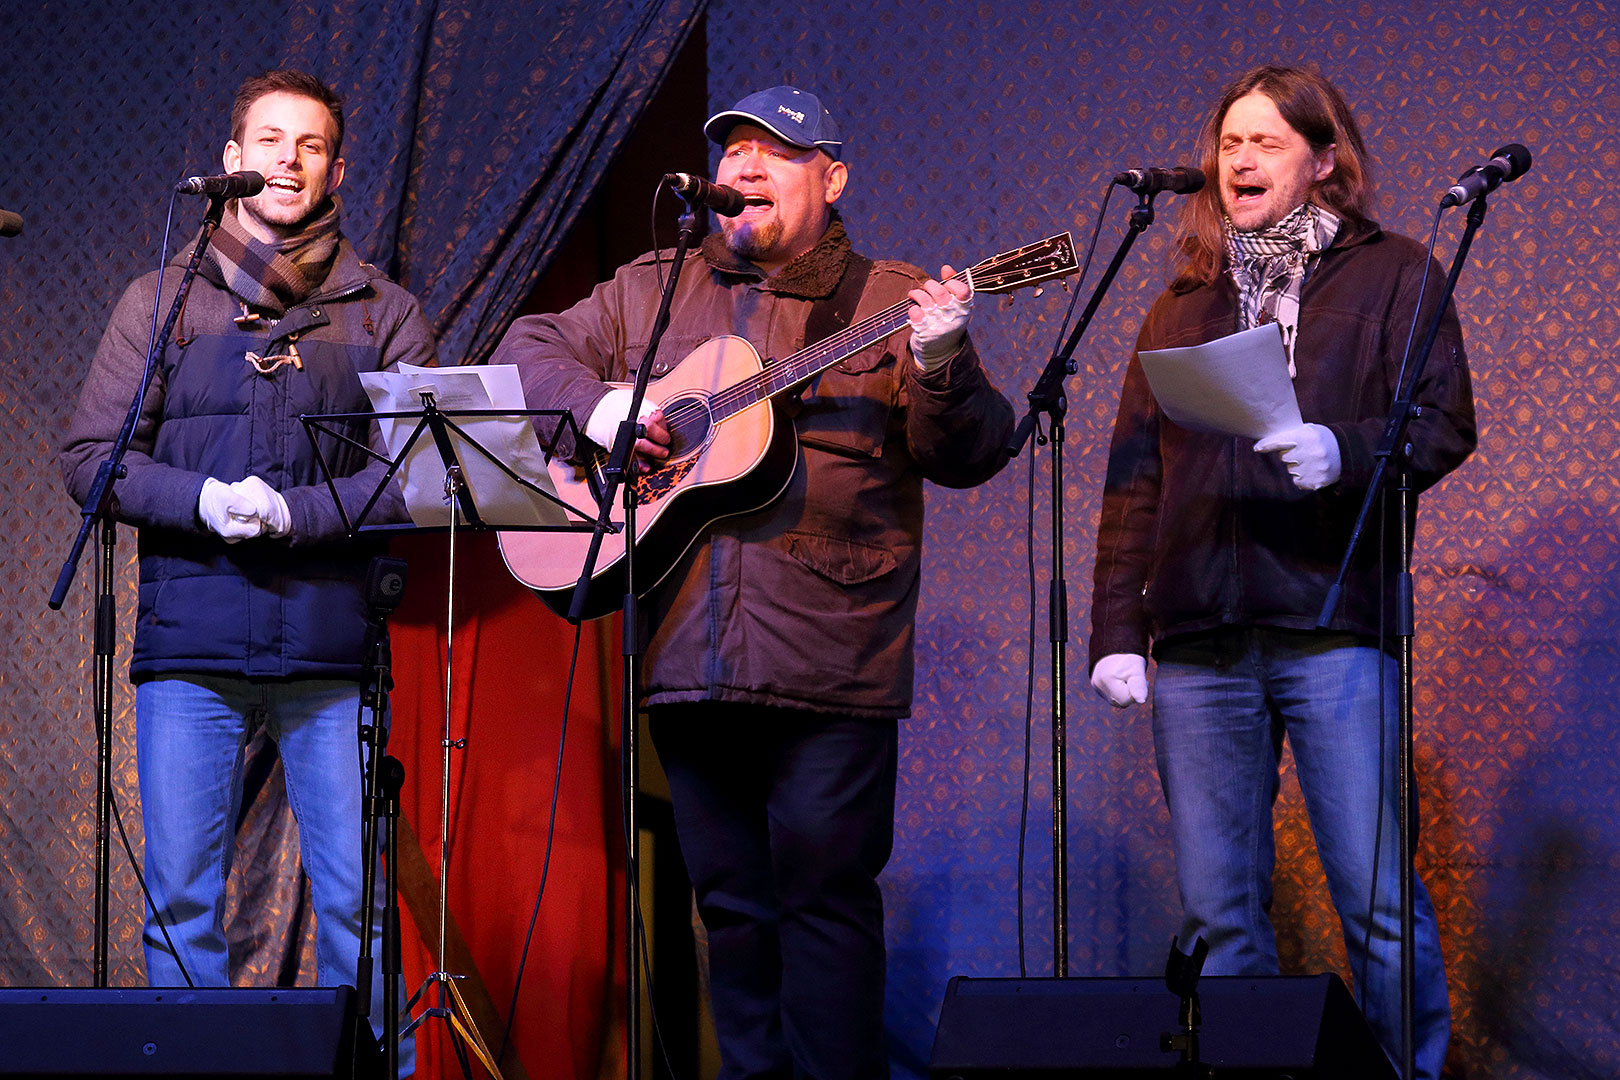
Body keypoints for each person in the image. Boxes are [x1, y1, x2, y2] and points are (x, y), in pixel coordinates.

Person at [495, 86, 1014, 1080]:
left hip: (832, 651)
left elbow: (969, 451)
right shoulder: (652, 288)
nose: (743, 169)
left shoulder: (888, 296)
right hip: (687, 646)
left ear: (832, 175)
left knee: (821, 903)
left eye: (773, 152)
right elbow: (529, 346)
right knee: (728, 909)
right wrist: (603, 408)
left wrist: (943, 356)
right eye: (731, 152)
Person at [1088, 65, 1475, 1079]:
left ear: (1325, 159)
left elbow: (1443, 423)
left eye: (1266, 140)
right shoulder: (1180, 304)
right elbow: (1132, 480)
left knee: (1376, 897)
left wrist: (1345, 449)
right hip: (1201, 640)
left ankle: (1407, 1074)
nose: (1241, 159)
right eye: (1229, 143)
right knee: (1220, 914)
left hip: (1331, 623)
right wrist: (1117, 636)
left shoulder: (1397, 273)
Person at [60, 69, 435, 1067]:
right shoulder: (161, 301)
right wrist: (201, 502)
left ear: (338, 171)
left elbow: (420, 480)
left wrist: (295, 514)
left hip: (330, 648)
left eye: (308, 145)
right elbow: (89, 459)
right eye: (268, 141)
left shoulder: (384, 311)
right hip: (191, 646)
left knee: (358, 903)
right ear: (230, 163)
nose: (286, 160)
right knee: (183, 901)